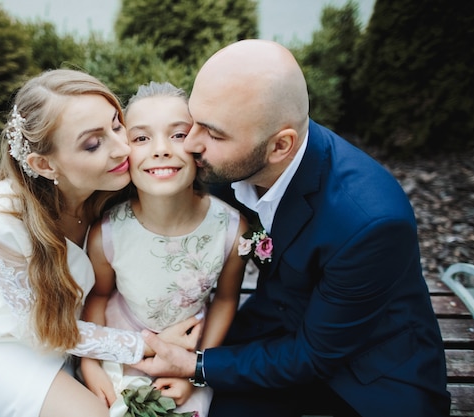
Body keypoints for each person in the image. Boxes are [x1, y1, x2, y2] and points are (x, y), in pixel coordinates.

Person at [133, 40, 451, 417]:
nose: (191, 143)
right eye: (193, 120)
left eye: (214, 134)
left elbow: (315, 355)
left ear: (280, 146)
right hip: (273, 331)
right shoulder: (231, 159)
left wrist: (196, 366)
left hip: (373, 375)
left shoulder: (370, 221)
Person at [0, 69, 200, 417]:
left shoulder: (115, 183)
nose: (122, 149)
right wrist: (147, 347)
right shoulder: (1, 223)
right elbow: (40, 329)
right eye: (92, 144)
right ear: (43, 164)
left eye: (117, 125)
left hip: (74, 333)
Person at [79, 81, 248, 417]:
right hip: (120, 346)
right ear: (124, 151)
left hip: (191, 347)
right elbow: (97, 297)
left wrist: (197, 370)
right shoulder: (108, 233)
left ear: (199, 145)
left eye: (178, 134)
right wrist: (90, 364)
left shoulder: (231, 229)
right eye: (141, 138)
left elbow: (226, 299)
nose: (161, 150)